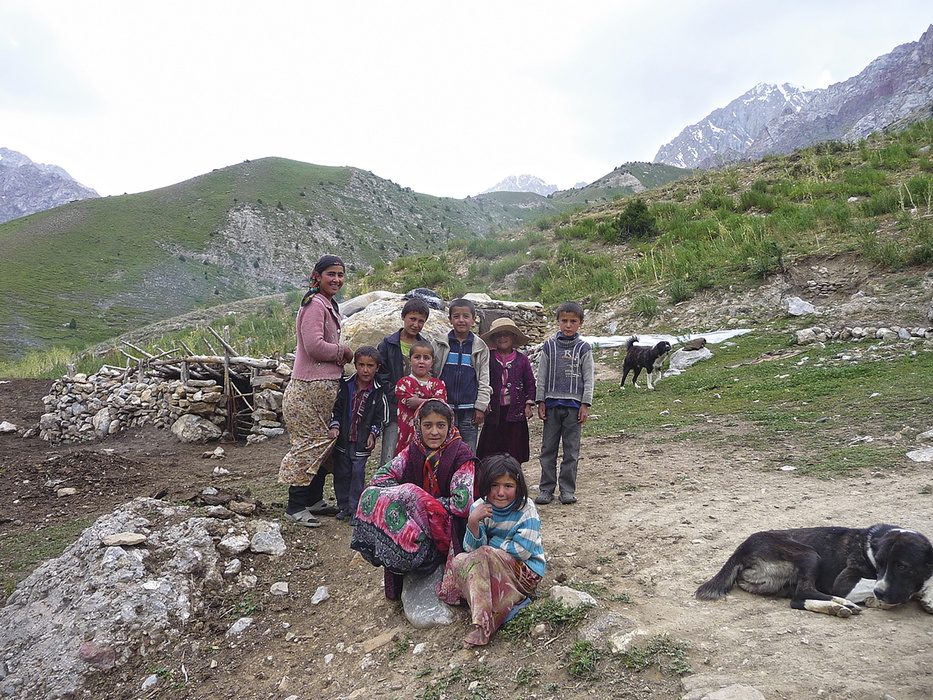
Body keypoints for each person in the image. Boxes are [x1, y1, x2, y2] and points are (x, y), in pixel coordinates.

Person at [351, 400, 477, 600]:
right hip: (420, 523)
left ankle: (429, 561)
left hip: (451, 526)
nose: (434, 432)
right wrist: (406, 499)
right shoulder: (413, 450)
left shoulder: (462, 454)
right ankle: (405, 562)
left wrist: (418, 501)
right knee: (373, 495)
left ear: (450, 425)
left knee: (409, 493)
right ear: (418, 426)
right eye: (427, 425)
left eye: (440, 425)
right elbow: (381, 477)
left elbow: (462, 504)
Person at [438, 453, 545, 648]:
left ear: (518, 487)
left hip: (526, 573)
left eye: (508, 486)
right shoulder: (480, 508)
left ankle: (483, 624)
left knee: (484, 554)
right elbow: (472, 551)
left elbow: (522, 551)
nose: (500, 493)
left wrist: (491, 544)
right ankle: (509, 603)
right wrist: (472, 522)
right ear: (486, 485)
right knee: (459, 561)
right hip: (493, 567)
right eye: (494, 485)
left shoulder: (526, 510)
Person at [278, 254, 354, 528]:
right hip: (308, 389)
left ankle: (313, 499)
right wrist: (342, 351)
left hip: (322, 388)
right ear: (318, 276)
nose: (336, 279)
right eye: (331, 274)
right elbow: (313, 346)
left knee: (324, 443)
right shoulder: (314, 306)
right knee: (310, 444)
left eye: (340, 275)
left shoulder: (327, 304)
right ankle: (295, 505)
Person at [534, 301, 594, 506]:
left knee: (571, 451)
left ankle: (567, 489)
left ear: (580, 323)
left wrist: (585, 404)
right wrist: (540, 400)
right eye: (564, 321)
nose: (568, 325)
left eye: (573, 321)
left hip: (574, 407)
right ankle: (546, 489)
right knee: (548, 449)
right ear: (558, 322)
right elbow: (541, 375)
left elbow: (589, 378)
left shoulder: (584, 348)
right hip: (551, 406)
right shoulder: (549, 346)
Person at [327, 346, 389, 522]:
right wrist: (334, 426)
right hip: (343, 439)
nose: (365, 369)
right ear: (355, 365)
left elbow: (381, 417)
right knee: (342, 473)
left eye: (370, 365)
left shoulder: (378, 391)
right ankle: (343, 506)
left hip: (361, 442)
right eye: (361, 365)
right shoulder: (346, 385)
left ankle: (356, 509)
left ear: (377, 367)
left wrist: (373, 434)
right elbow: (336, 408)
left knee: (358, 474)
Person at [377, 298, 431, 465]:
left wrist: (420, 401)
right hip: (395, 409)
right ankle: (385, 488)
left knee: (416, 453)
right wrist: (400, 397)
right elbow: (381, 375)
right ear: (403, 317)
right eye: (412, 319)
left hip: (418, 410)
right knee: (390, 453)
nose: (416, 324)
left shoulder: (425, 346)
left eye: (421, 321)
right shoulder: (388, 344)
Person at [475, 317, 536, 464]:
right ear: (493, 338)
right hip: (493, 412)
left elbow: (530, 383)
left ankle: (513, 476)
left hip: (515, 411)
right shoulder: (488, 358)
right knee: (491, 448)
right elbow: (482, 381)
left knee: (514, 448)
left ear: (513, 337)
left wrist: (528, 405)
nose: (502, 338)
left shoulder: (522, 360)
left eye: (506, 334)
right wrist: (484, 402)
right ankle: (490, 477)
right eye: (498, 335)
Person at [433, 298, 490, 452]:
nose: (461, 320)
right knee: (443, 449)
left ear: (473, 318)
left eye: (466, 316)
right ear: (450, 319)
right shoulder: (440, 343)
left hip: (469, 411)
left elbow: (484, 379)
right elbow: (432, 373)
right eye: (456, 316)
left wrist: (480, 406)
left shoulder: (479, 347)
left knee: (467, 450)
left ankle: (467, 476)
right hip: (443, 408)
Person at [395, 340, 447, 455]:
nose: (421, 362)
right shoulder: (403, 383)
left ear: (432, 362)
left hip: (431, 437)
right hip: (407, 438)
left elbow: (441, 404)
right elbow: (409, 402)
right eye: (417, 357)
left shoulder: (438, 384)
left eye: (426, 358)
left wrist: (418, 401)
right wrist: (430, 401)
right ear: (410, 360)